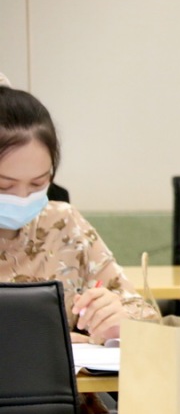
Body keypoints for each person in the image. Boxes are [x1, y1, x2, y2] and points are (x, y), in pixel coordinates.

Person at [0, 86, 157, 345]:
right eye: (4, 186)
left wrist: (118, 319)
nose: (22, 197)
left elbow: (145, 316)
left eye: (38, 183)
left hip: (66, 372)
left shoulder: (62, 224)